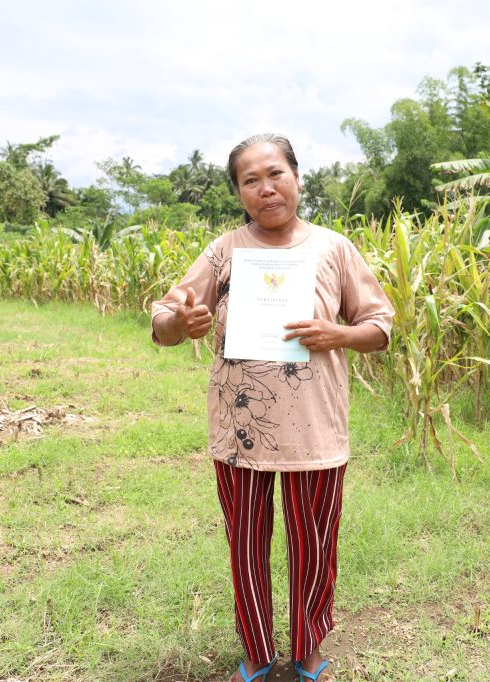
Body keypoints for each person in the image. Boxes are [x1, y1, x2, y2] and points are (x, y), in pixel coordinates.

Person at [151, 133, 393, 682]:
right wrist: (180, 323)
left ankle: (308, 651)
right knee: (246, 546)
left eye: (275, 174)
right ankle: (259, 654)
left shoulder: (333, 248)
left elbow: (380, 327)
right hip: (241, 432)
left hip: (315, 430)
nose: (266, 189)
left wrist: (337, 334)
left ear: (297, 178)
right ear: (239, 192)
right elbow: (165, 319)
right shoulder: (224, 251)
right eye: (250, 180)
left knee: (314, 546)